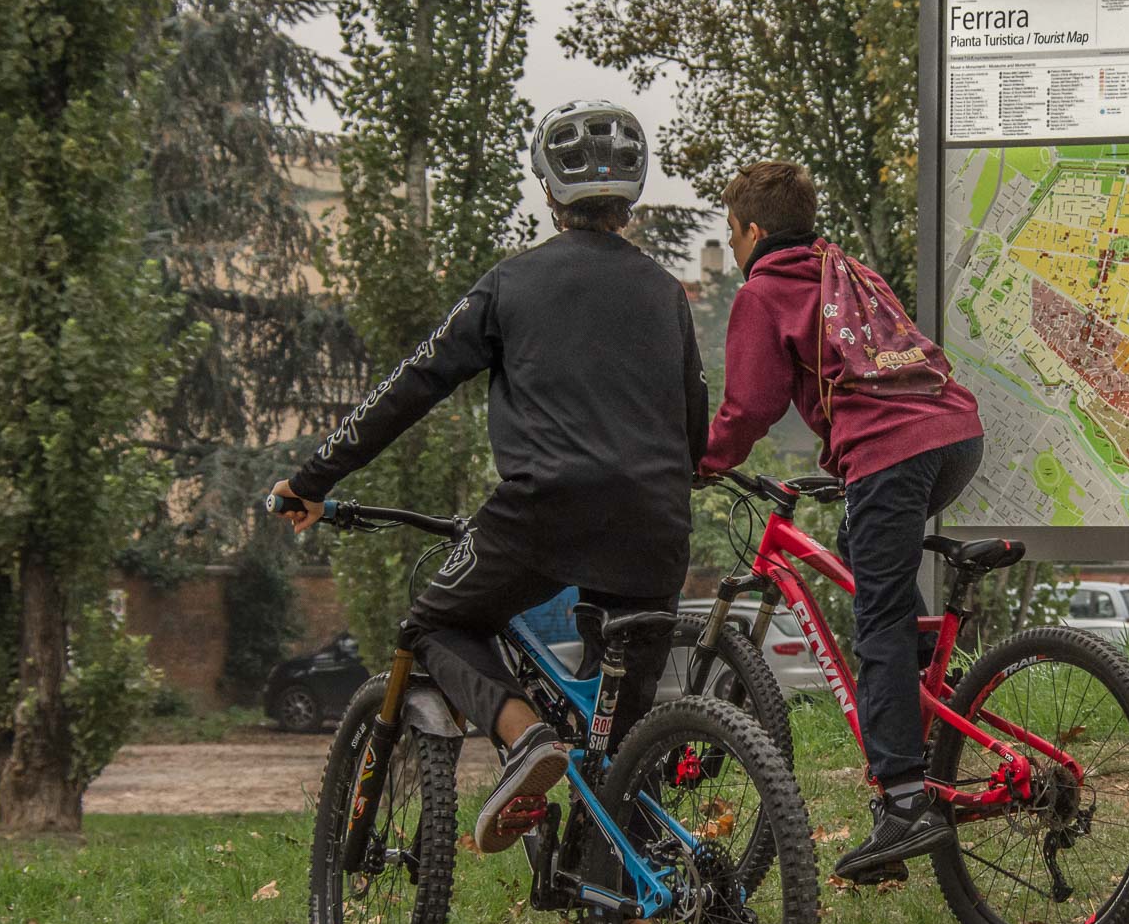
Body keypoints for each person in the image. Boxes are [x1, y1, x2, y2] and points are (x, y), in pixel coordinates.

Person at [272, 100, 706, 869]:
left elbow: (413, 385)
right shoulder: (668, 294)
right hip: (657, 522)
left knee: (432, 627)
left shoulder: (511, 284)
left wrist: (313, 478)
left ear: (547, 190)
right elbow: (693, 427)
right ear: (630, 192)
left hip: (545, 511)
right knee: (623, 745)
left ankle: (522, 734)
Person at [699, 161, 984, 884]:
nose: (732, 250)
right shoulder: (844, 267)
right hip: (954, 433)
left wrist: (702, 461)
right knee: (863, 553)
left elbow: (750, 405)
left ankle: (902, 801)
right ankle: (919, 693)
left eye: (731, 235)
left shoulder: (765, 291)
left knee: (878, 617)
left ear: (755, 232)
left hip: (892, 450)